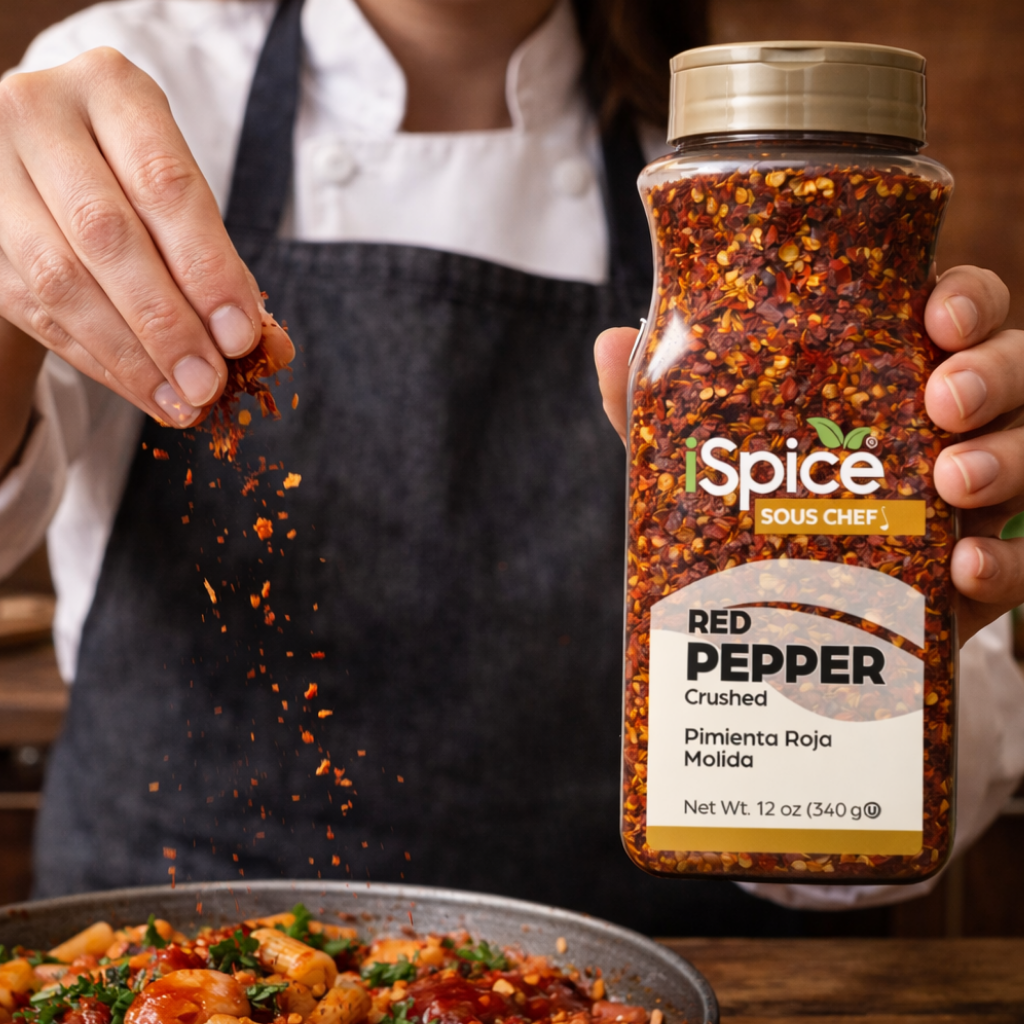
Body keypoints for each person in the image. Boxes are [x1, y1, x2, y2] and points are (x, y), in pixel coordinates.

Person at [0, 0, 1021, 930]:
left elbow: (863, 841)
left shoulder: (751, 190)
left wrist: (894, 659)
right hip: (167, 956)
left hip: (646, 964)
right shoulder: (121, 90)